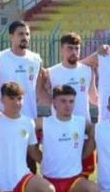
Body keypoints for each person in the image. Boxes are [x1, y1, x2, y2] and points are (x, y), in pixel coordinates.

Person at [37, 84, 100, 192]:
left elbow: (94, 130)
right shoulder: (44, 123)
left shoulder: (81, 122)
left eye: (71, 101)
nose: (67, 105)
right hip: (51, 184)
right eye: (63, 101)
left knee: (93, 190)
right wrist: (41, 160)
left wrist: (85, 154)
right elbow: (22, 128)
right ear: (54, 103)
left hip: (74, 182)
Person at [39, 32, 97, 177]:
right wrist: (55, 106)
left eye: (76, 48)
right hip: (61, 132)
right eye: (69, 48)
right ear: (61, 50)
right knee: (60, 175)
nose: (74, 52)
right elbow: (41, 95)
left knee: (84, 175)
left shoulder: (87, 71)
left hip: (83, 130)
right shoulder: (51, 72)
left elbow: (93, 97)